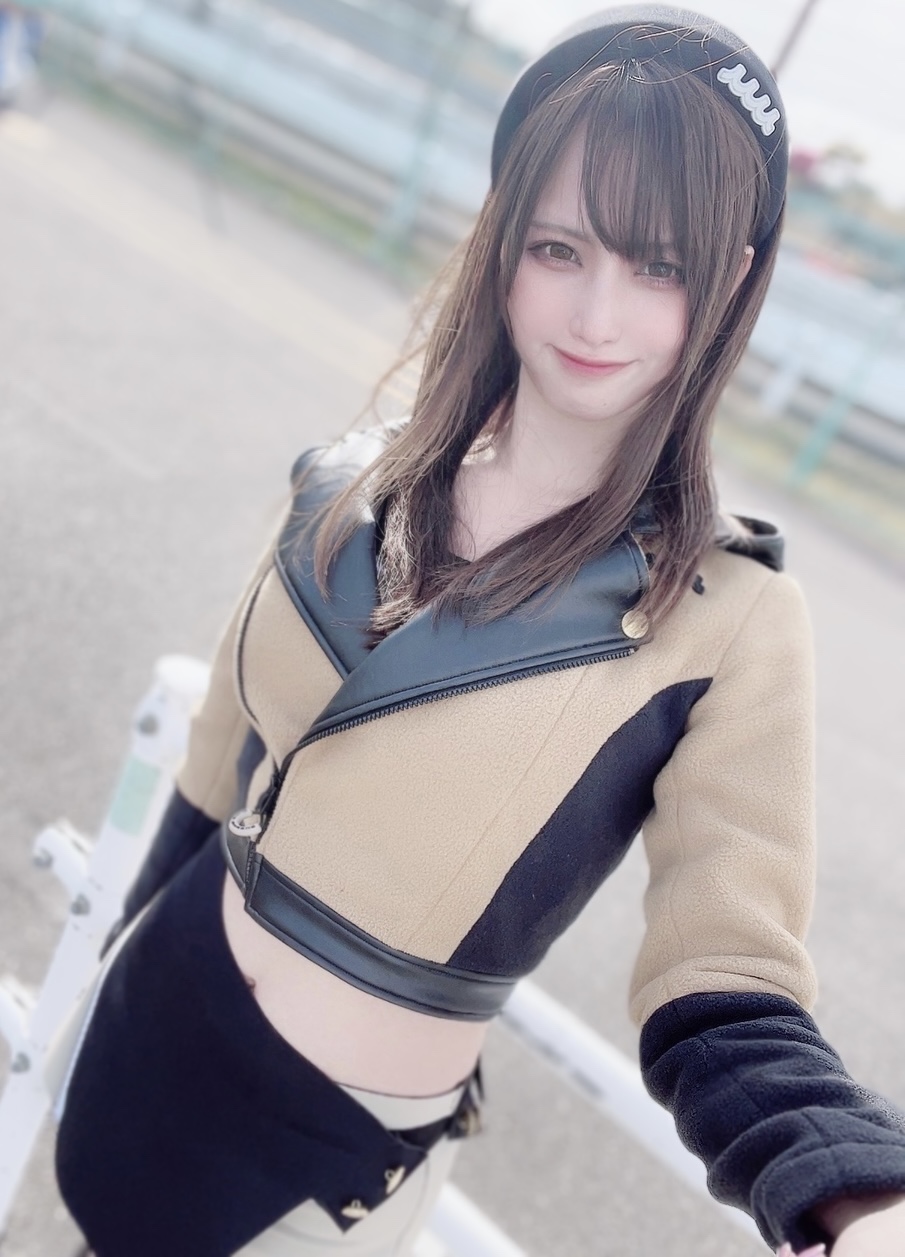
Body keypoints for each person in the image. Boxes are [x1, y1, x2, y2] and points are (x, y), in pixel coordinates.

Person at [53, 6, 905, 1256]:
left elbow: (726, 984)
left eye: (658, 267)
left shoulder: (725, 620)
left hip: (322, 1168)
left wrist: (851, 1190)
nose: (596, 315)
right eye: (560, 248)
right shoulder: (349, 482)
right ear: (504, 235)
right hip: (155, 1016)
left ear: (728, 280)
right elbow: (217, 766)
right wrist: (103, 965)